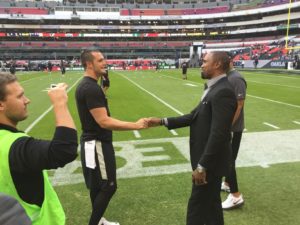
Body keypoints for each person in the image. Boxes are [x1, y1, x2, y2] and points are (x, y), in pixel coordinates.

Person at [148, 51, 237, 225]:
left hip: (211, 165)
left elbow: (219, 133)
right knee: (212, 206)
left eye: (205, 61)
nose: (201, 64)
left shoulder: (223, 91)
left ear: (217, 64)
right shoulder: (212, 88)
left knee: (196, 208)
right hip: (209, 162)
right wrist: (161, 121)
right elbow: (194, 116)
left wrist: (202, 166)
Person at [75, 49, 148, 225]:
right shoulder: (90, 88)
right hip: (97, 143)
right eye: (100, 60)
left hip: (91, 142)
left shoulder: (89, 85)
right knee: (109, 186)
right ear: (89, 64)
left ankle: (99, 220)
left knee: (96, 185)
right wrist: (136, 125)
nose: (105, 62)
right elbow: (104, 121)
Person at [0, 72, 78, 225]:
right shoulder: (13, 145)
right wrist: (60, 103)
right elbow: (64, 150)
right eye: (20, 96)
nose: (27, 100)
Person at [221, 53, 247, 210]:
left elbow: (239, 104)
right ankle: (227, 183)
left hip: (232, 128)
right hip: (228, 126)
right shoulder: (227, 76)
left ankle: (236, 196)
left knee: (228, 159)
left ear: (230, 61)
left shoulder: (236, 78)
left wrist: (228, 125)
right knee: (228, 158)